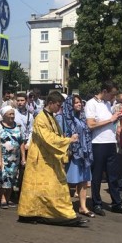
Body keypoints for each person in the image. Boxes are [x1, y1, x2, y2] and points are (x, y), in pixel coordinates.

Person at [17, 92, 88, 227]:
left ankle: (61, 214)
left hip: (49, 158)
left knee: (51, 188)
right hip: (40, 159)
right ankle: (35, 213)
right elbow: (48, 138)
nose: (59, 108)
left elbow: (55, 135)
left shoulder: (51, 117)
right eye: (58, 105)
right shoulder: (41, 118)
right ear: (50, 103)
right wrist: (68, 140)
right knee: (47, 188)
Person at [85, 81, 122, 216]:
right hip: (98, 143)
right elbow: (90, 125)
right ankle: (96, 203)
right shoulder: (91, 103)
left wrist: (116, 118)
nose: (113, 97)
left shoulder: (108, 104)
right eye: (112, 94)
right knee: (97, 175)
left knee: (113, 175)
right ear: (104, 91)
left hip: (110, 142)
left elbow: (108, 122)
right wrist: (111, 119)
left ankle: (116, 203)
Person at [56, 95, 95, 217]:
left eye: (80, 102)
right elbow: (58, 136)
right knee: (67, 180)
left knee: (83, 181)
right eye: (76, 103)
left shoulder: (82, 117)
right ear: (69, 105)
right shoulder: (62, 118)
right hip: (71, 153)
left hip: (84, 153)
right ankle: (63, 205)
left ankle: (83, 207)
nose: (79, 104)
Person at [0, 106, 25, 209]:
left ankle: (8, 199)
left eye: (13, 114)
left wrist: (23, 158)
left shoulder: (17, 126)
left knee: (12, 178)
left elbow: (21, 142)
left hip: (15, 158)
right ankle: (3, 198)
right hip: (2, 157)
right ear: (4, 115)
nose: (12, 116)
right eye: (10, 114)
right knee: (3, 178)